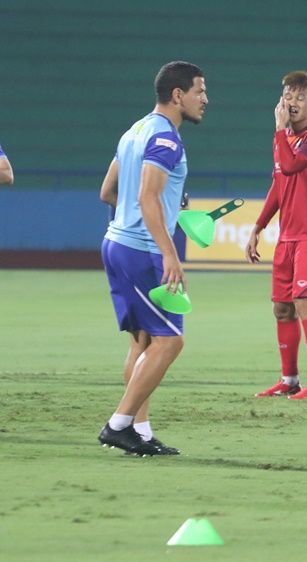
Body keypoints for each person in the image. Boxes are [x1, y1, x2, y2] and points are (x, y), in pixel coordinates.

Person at [97, 61, 208, 456]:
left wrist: (159, 207)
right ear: (178, 95)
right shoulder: (166, 139)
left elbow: (108, 192)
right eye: (199, 91)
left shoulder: (135, 130)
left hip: (116, 243)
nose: (205, 99)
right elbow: (147, 196)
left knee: (143, 342)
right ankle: (118, 425)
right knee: (170, 340)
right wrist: (169, 253)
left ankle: (139, 432)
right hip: (141, 251)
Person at [247, 71, 307, 400]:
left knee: (305, 304)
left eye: (300, 97)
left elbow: (290, 166)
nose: (293, 102)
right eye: (288, 96)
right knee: (282, 309)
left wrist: (278, 130)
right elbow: (279, 183)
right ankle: (289, 379)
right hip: (288, 236)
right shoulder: (283, 139)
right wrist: (258, 226)